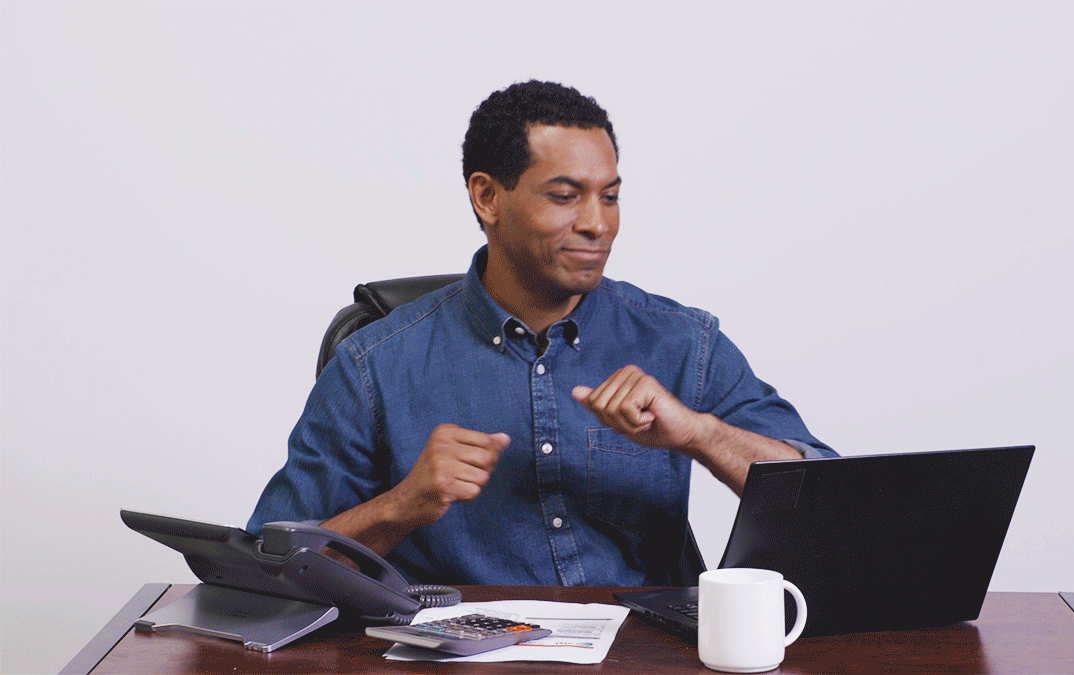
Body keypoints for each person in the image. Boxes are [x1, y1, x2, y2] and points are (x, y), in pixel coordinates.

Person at [248, 80, 834, 586]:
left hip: (642, 657)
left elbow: (828, 506)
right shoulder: (375, 363)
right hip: (456, 661)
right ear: (487, 197)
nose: (597, 224)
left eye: (610, 196)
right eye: (564, 196)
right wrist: (401, 506)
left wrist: (701, 434)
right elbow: (268, 562)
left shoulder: (683, 343)